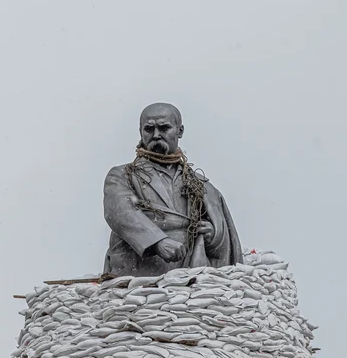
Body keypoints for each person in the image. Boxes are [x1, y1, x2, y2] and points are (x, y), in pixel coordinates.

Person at [101, 103, 242, 277]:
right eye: (149, 129)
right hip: (142, 273)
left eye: (164, 128)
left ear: (179, 131)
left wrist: (213, 235)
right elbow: (120, 212)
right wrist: (157, 241)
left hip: (192, 271)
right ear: (140, 132)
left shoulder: (202, 185)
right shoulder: (123, 175)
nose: (156, 135)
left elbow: (224, 236)